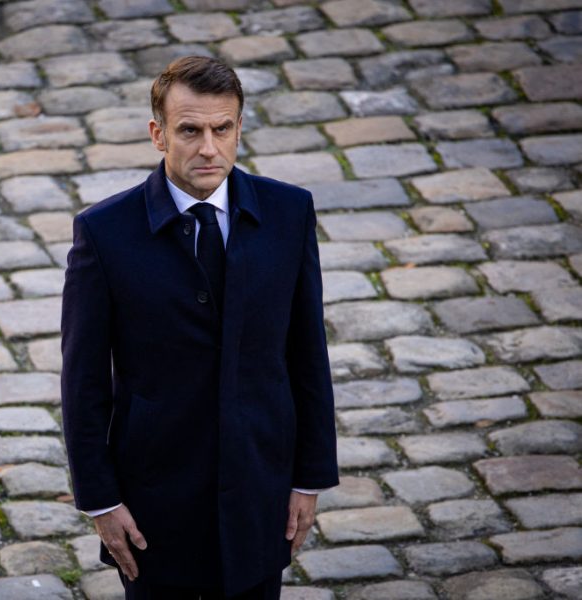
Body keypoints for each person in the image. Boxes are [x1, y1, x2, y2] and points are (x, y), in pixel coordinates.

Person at [61, 56, 339, 600]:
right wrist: (101, 500)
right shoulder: (103, 233)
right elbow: (83, 380)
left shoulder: (289, 213)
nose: (209, 148)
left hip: (260, 487)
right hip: (153, 500)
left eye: (222, 129)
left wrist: (309, 477)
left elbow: (308, 352)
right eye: (190, 130)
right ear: (158, 134)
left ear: (239, 129)